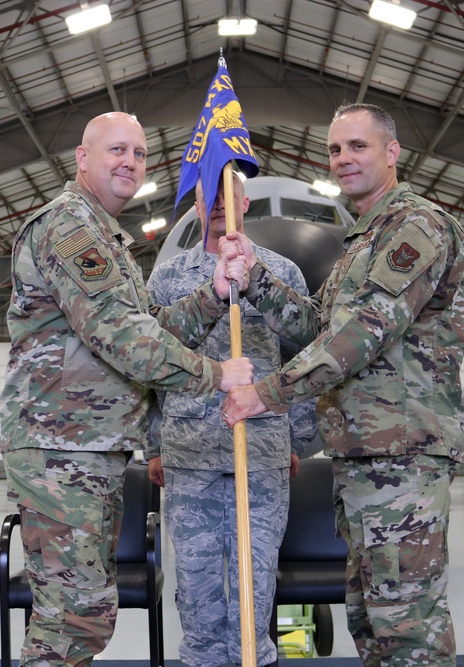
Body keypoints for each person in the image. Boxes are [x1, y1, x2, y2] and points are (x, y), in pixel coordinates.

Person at [0, 111, 255, 667]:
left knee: (82, 613)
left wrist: (212, 294)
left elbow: (149, 326)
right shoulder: (69, 226)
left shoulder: (108, 238)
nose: (129, 163)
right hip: (60, 449)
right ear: (83, 159)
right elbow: (121, 335)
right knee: (73, 616)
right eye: (116, 151)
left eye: (138, 154)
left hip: (88, 448)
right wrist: (215, 375)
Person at [220, 102, 464, 666]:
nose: (344, 159)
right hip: (363, 454)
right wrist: (255, 276)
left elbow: (364, 334)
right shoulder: (362, 240)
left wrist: (264, 393)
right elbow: (318, 326)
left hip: (403, 454)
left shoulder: (416, 226)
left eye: (358, 146)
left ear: (392, 152)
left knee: (408, 623)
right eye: (335, 149)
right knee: (371, 618)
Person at [145, 173, 317, 667]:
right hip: (189, 455)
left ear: (246, 202)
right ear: (196, 206)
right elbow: (149, 367)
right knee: (197, 593)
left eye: (228, 196)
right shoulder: (169, 278)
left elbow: (304, 362)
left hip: (260, 454)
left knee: (255, 594)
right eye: (209, 198)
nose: (220, 205)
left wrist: (296, 440)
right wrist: (153, 446)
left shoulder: (279, 271)